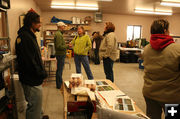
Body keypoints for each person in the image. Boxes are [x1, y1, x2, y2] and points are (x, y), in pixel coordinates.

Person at [142, 19, 180, 119]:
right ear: (164, 31)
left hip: (150, 94)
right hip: (171, 97)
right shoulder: (177, 50)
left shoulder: (146, 49)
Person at [15, 11, 48, 119]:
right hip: (31, 80)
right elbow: (30, 62)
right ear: (31, 23)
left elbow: (34, 58)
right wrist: (42, 74)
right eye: (38, 22)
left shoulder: (29, 36)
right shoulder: (24, 38)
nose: (40, 24)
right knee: (34, 107)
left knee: (37, 106)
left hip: (33, 78)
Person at [54, 22, 67, 89]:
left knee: (60, 69)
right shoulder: (59, 35)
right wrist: (67, 46)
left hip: (60, 54)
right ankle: (59, 85)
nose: (64, 28)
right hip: (60, 54)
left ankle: (60, 83)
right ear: (60, 27)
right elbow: (59, 46)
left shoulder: (59, 34)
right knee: (60, 70)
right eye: (64, 27)